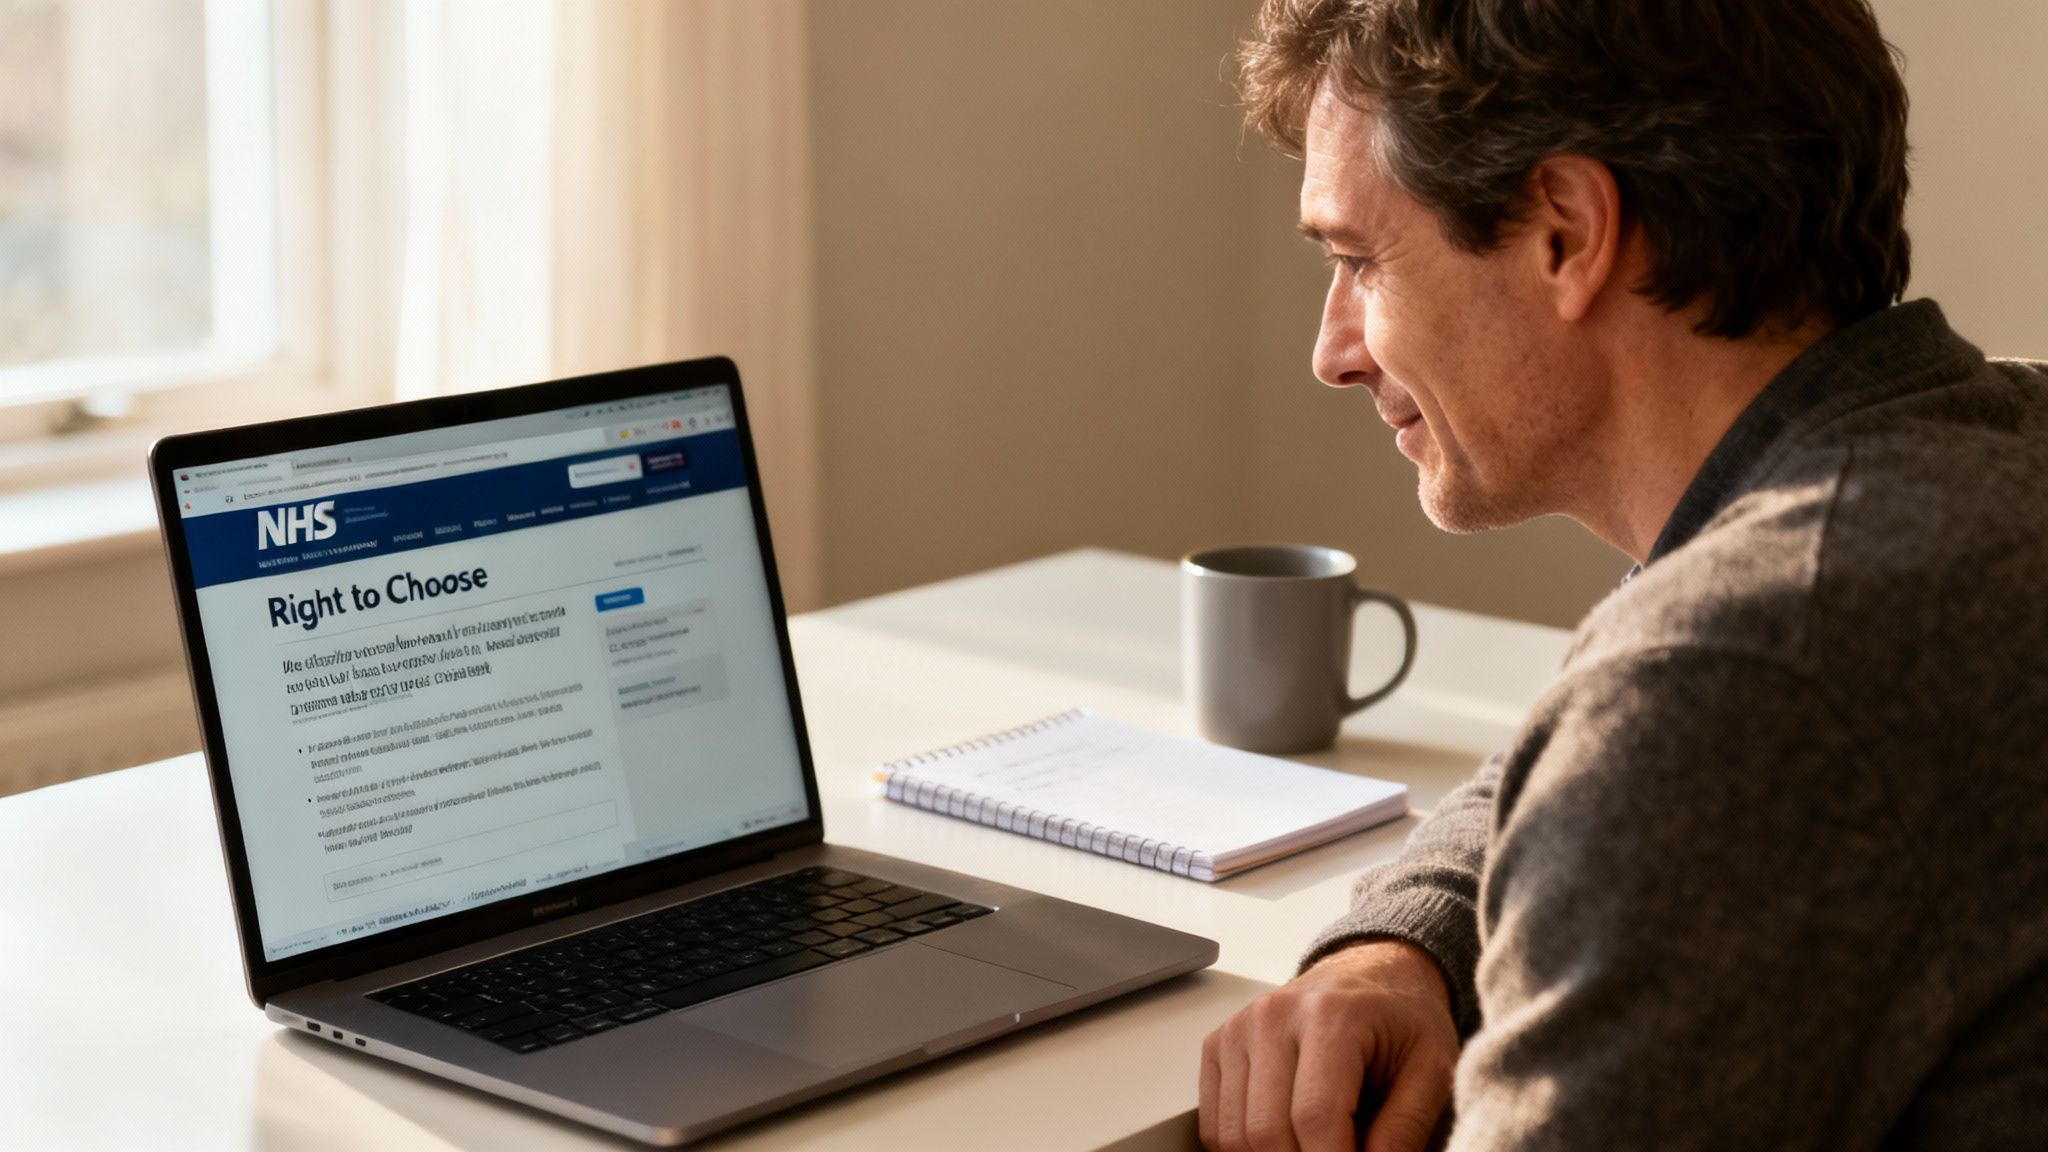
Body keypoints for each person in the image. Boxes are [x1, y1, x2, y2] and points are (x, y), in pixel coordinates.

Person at [1198, 1, 2048, 1149]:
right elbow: (1580, 746)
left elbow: (1668, 727)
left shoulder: (1741, 674)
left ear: (1564, 230)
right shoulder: (1976, 459)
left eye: (1358, 262)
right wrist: (1402, 946)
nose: (1331, 350)